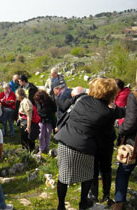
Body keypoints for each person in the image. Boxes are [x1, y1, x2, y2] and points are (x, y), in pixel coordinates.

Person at [54, 78, 122, 210]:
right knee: (87, 176)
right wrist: (114, 108)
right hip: (84, 146)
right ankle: (83, 203)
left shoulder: (83, 99)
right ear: (111, 94)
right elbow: (117, 116)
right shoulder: (106, 112)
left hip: (65, 141)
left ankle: (61, 205)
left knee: (63, 177)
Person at [112, 85, 137, 210]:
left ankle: (119, 203)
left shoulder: (135, 95)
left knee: (123, 172)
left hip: (134, 143)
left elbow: (131, 122)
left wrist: (121, 129)